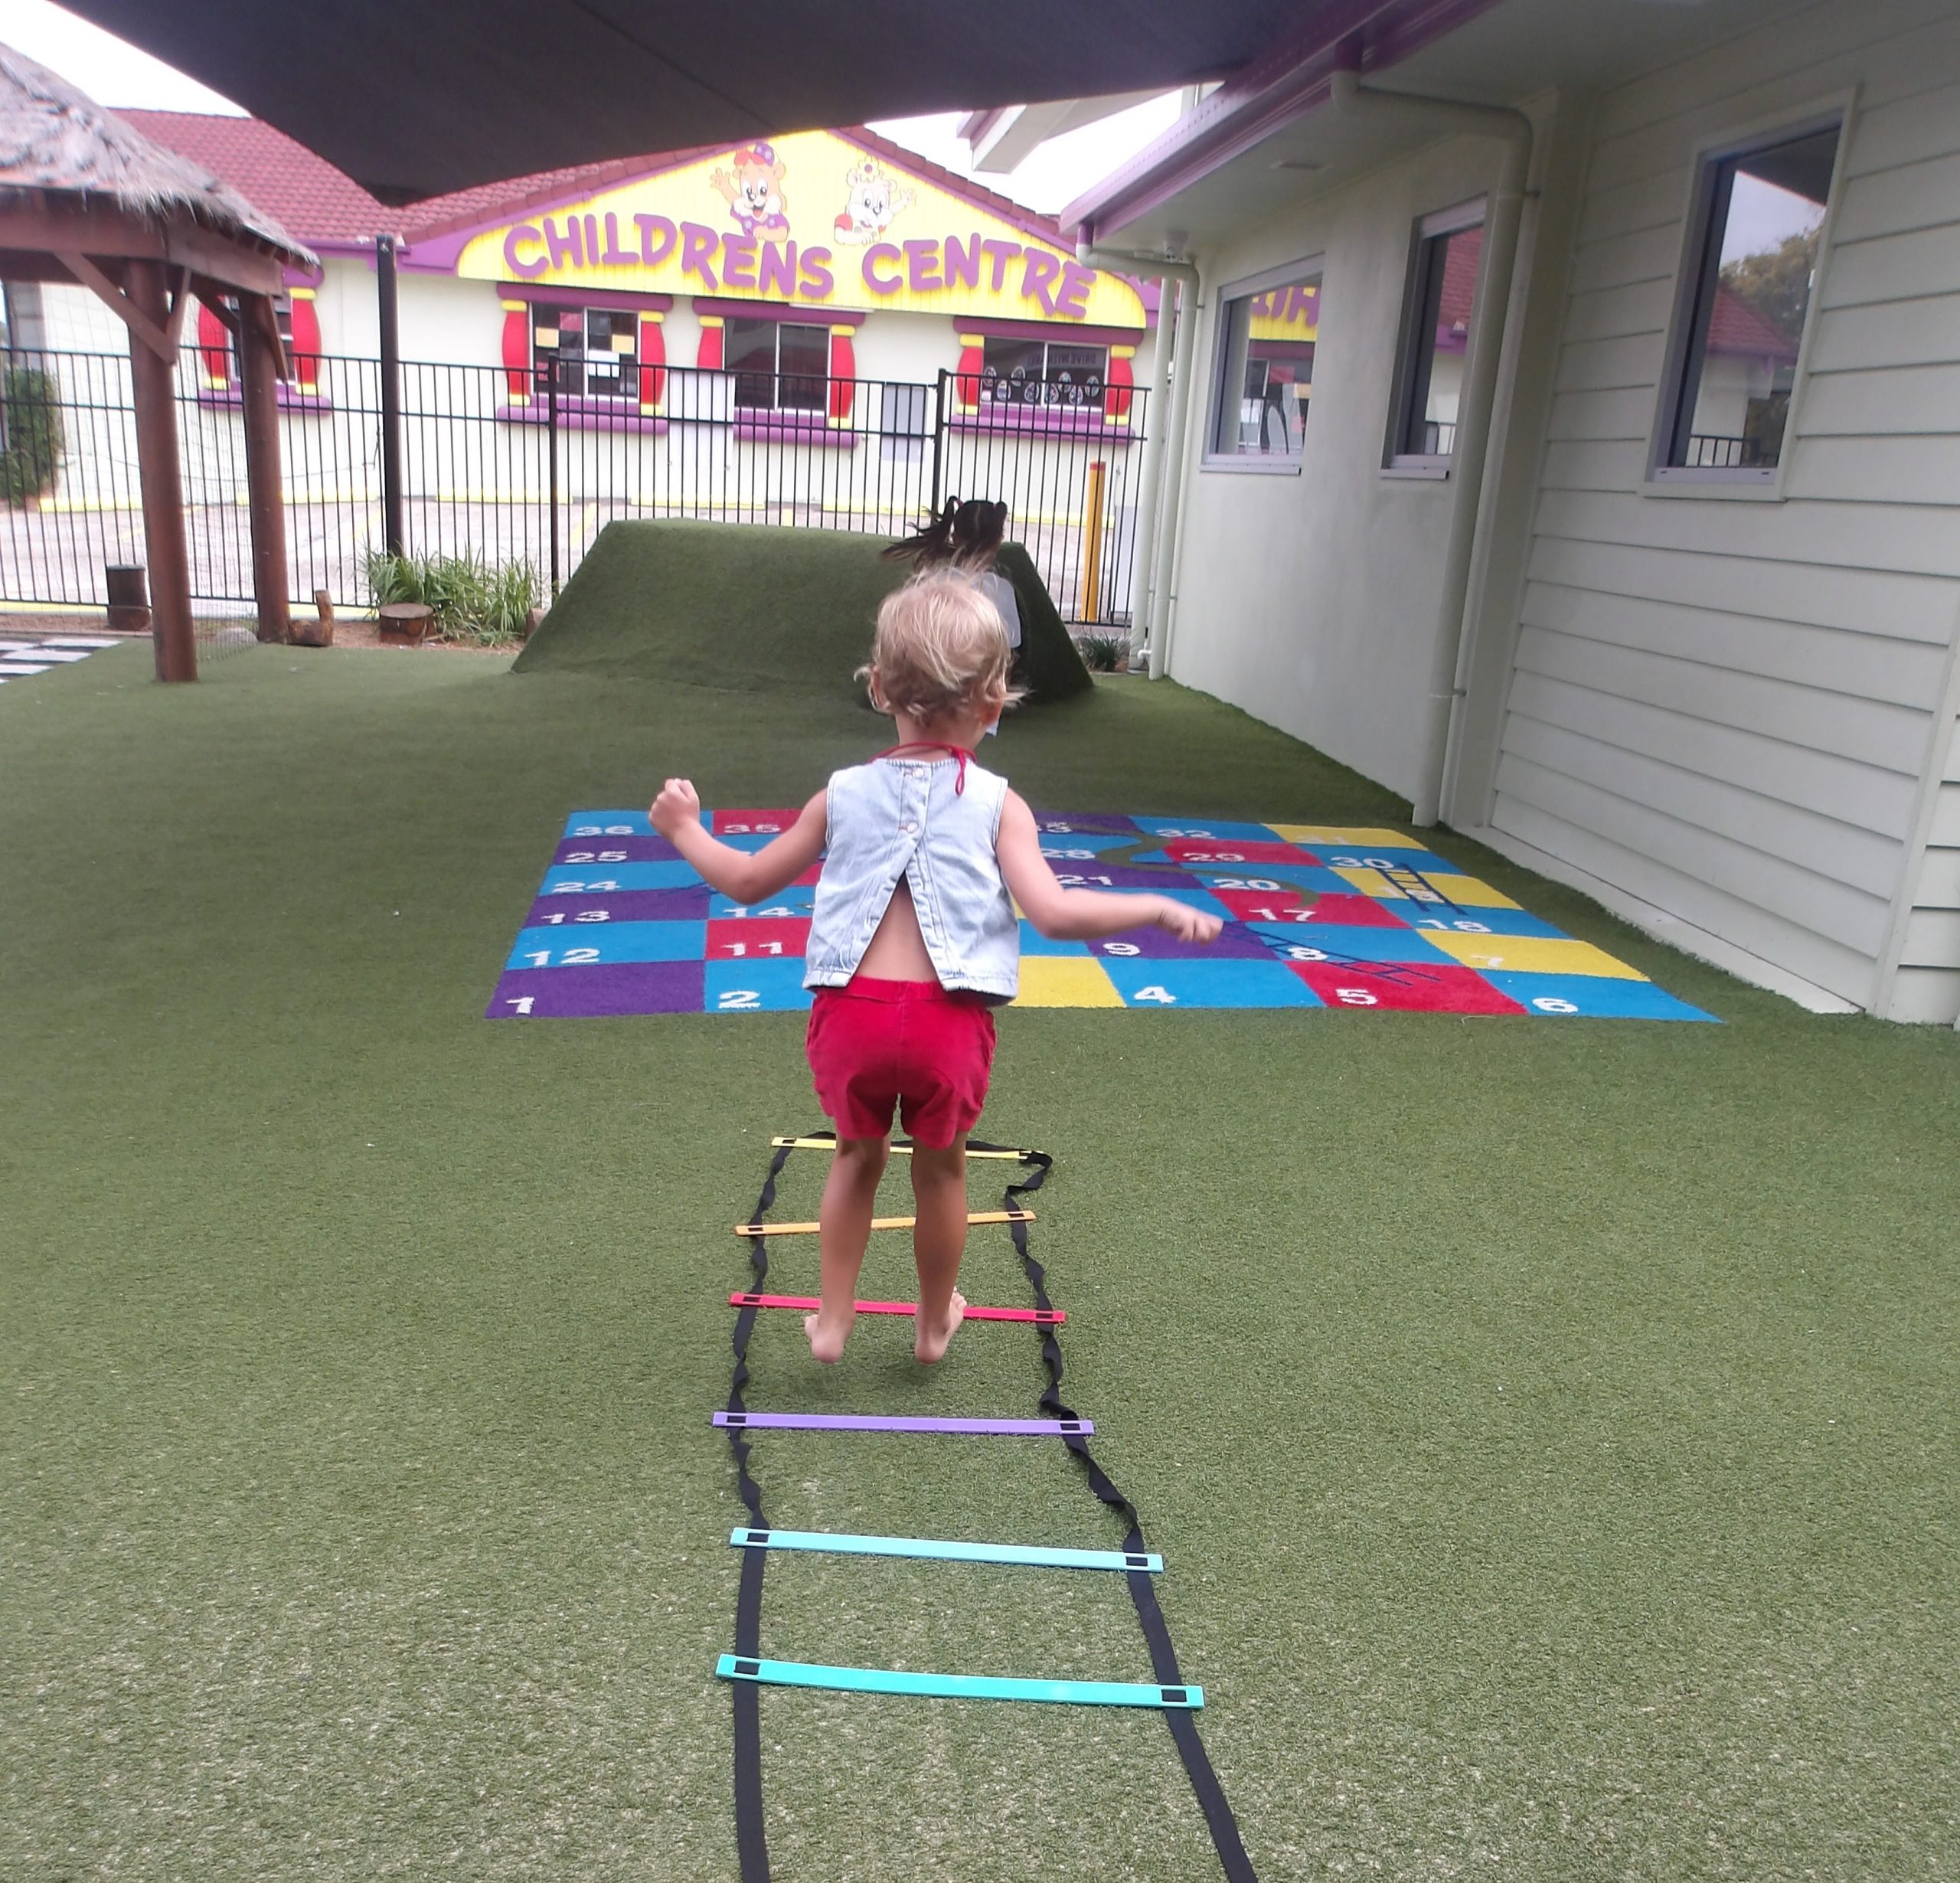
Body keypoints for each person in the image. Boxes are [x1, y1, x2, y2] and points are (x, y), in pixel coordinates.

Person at [650, 572, 1220, 1366]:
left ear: (879, 688)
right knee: (943, 1170)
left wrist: (684, 827)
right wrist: (1151, 906)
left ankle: (833, 1319)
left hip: (852, 1013)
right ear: (993, 702)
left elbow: (746, 881)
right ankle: (930, 1323)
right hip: (946, 1024)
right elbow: (1054, 913)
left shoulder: (840, 794)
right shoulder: (999, 804)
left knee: (856, 1156)